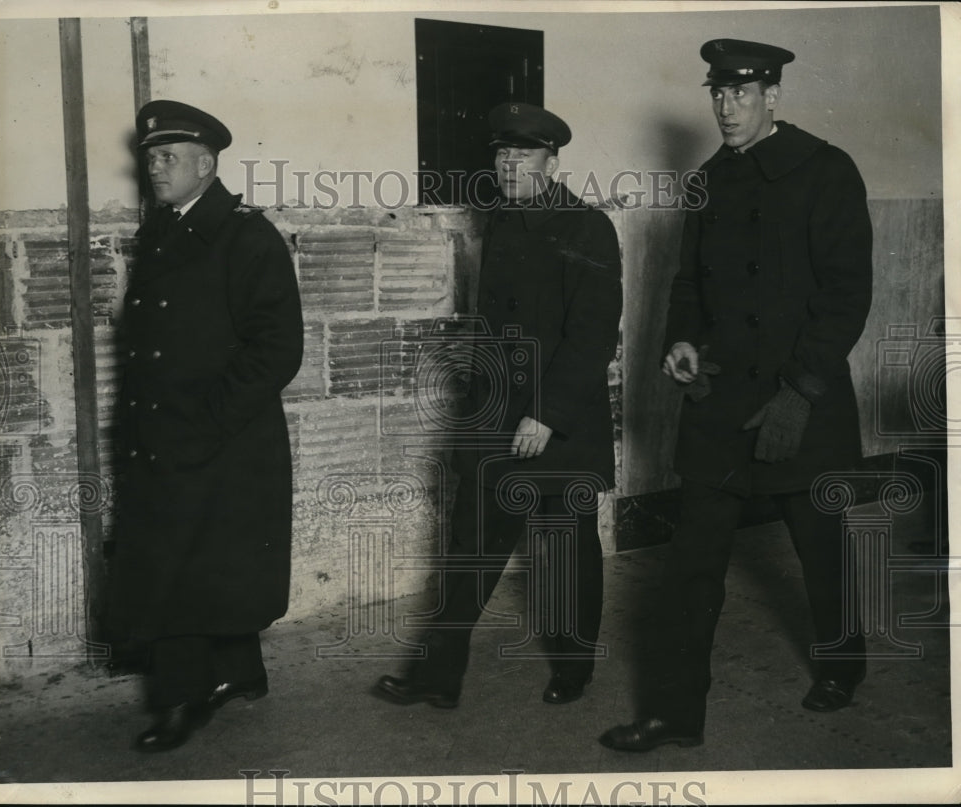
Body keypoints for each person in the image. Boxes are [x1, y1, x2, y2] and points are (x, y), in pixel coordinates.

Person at [600, 39, 873, 753]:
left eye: (743, 94)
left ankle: (844, 665)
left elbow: (847, 297)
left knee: (821, 552)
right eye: (717, 93)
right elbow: (688, 284)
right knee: (692, 563)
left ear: (773, 96)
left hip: (801, 403)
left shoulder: (827, 170)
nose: (727, 107)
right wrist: (681, 341)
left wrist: (799, 391)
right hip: (720, 405)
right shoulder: (708, 179)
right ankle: (674, 712)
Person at [374, 102, 623, 708]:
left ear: (552, 160)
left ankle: (575, 667)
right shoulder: (502, 221)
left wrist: (547, 412)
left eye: (523, 154)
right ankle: (436, 678)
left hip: (557, 423)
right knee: (471, 548)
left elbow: (592, 333)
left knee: (566, 551)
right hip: (495, 417)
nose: (508, 164)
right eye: (501, 153)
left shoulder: (586, 227)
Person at [110, 100, 304, 752]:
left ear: (206, 163)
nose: (154, 168)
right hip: (167, 436)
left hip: (221, 439)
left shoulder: (248, 237)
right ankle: (240, 673)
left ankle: (183, 698)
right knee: (202, 562)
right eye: (150, 157)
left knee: (182, 569)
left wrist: (205, 422)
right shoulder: (165, 230)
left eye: (167, 158)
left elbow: (277, 349)